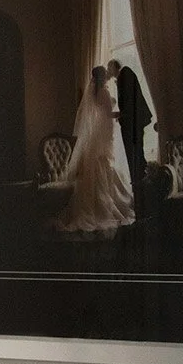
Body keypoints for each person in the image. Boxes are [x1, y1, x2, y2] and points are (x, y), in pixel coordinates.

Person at [56, 65, 135, 237]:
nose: (107, 75)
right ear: (102, 76)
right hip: (105, 131)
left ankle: (99, 200)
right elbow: (108, 114)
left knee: (101, 164)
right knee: (103, 163)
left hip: (100, 131)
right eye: (105, 74)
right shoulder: (104, 92)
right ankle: (103, 204)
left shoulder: (94, 92)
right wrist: (124, 113)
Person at [107, 58, 153, 203]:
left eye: (109, 68)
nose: (108, 71)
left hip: (132, 125)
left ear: (114, 67)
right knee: (135, 157)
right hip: (132, 123)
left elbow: (129, 102)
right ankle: (141, 193)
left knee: (135, 157)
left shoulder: (125, 74)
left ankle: (141, 195)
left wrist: (121, 115)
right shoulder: (124, 76)